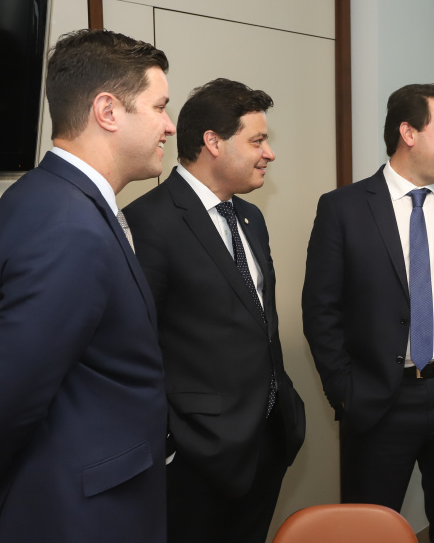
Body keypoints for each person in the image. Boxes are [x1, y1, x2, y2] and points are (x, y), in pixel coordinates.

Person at [0, 29, 174, 542]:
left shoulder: (50, 198)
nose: (169, 127)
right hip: (74, 514)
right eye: (159, 107)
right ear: (108, 111)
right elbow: (3, 402)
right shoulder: (70, 227)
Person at [302, 83, 434, 543]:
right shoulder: (343, 208)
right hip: (378, 402)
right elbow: (321, 312)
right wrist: (346, 392)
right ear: (408, 133)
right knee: (368, 532)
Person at [123, 78, 305, 543]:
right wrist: (170, 443)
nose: (270, 153)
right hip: (197, 454)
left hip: (268, 437)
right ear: (213, 143)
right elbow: (134, 346)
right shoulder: (149, 222)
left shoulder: (250, 217)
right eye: (258, 140)